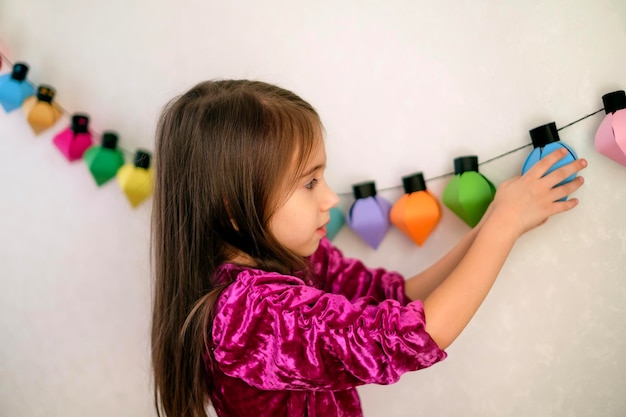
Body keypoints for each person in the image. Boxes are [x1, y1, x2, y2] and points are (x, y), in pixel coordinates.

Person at [151, 79, 587, 417]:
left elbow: (400, 297)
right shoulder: (249, 315)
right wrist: (504, 226)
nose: (329, 199)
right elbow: (410, 336)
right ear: (233, 209)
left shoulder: (300, 259)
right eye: (309, 183)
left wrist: (492, 222)